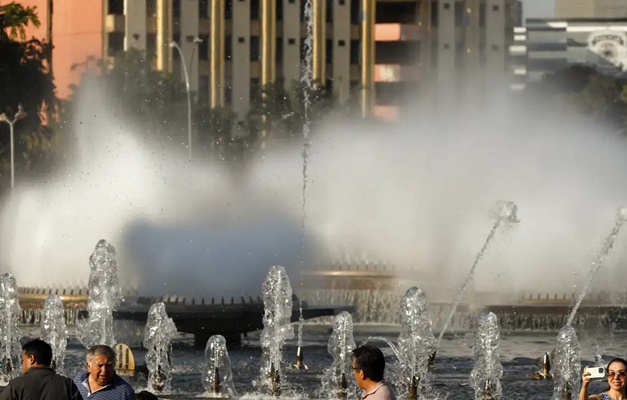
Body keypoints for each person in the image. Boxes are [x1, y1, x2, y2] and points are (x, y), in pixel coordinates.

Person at [0, 339, 81, 400]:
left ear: (32, 358)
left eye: (23, 360)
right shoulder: (67, 384)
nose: (22, 365)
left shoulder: (16, 385)